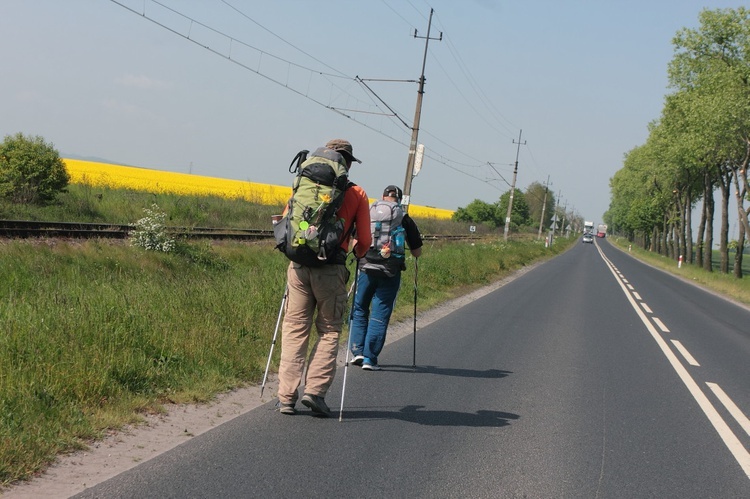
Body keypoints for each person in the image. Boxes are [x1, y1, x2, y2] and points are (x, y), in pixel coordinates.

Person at [276, 139, 370, 417]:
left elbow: (285, 221)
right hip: (331, 268)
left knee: (294, 328)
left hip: (298, 267)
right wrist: (357, 252)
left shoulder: (304, 183)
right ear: (347, 163)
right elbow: (364, 240)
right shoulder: (357, 193)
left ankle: (285, 397)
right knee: (329, 330)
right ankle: (315, 393)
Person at [349, 185, 423, 371]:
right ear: (398, 200)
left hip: (366, 267)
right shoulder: (403, 217)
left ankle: (357, 351)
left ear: (382, 197)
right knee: (379, 314)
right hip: (390, 271)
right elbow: (417, 252)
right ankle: (369, 359)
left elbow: (354, 241)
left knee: (359, 308)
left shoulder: (369, 212)